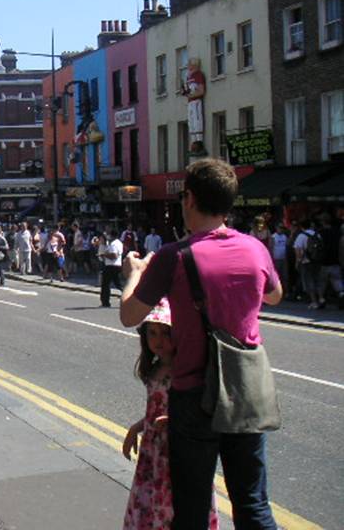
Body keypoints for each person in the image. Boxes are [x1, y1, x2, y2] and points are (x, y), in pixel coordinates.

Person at [120, 158, 282, 529]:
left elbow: (130, 315)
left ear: (189, 198)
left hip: (194, 395)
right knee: (253, 504)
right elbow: (274, 296)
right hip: (243, 388)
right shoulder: (255, 249)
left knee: (190, 509)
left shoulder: (171, 257)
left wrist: (134, 274)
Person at [122, 300, 218, 530]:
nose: (158, 340)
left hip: (179, 451)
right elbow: (155, 411)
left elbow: (202, 410)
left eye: (166, 333)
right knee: (151, 503)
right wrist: (137, 427)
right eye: (152, 333)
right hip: (153, 453)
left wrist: (175, 421)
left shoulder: (184, 372)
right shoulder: (154, 369)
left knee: (175, 507)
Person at [293, 219, 322, 309]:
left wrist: (297, 262)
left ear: (302, 227)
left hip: (306, 262)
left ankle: (314, 302)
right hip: (317, 261)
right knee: (317, 280)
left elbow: (298, 250)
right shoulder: (317, 235)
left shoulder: (301, 236)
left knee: (309, 282)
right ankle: (321, 299)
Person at [99, 229, 123, 308]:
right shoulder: (119, 243)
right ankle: (129, 296)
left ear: (112, 236)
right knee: (118, 284)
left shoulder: (113, 244)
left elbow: (114, 255)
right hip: (116, 265)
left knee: (105, 284)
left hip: (111, 266)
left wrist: (104, 255)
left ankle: (105, 302)